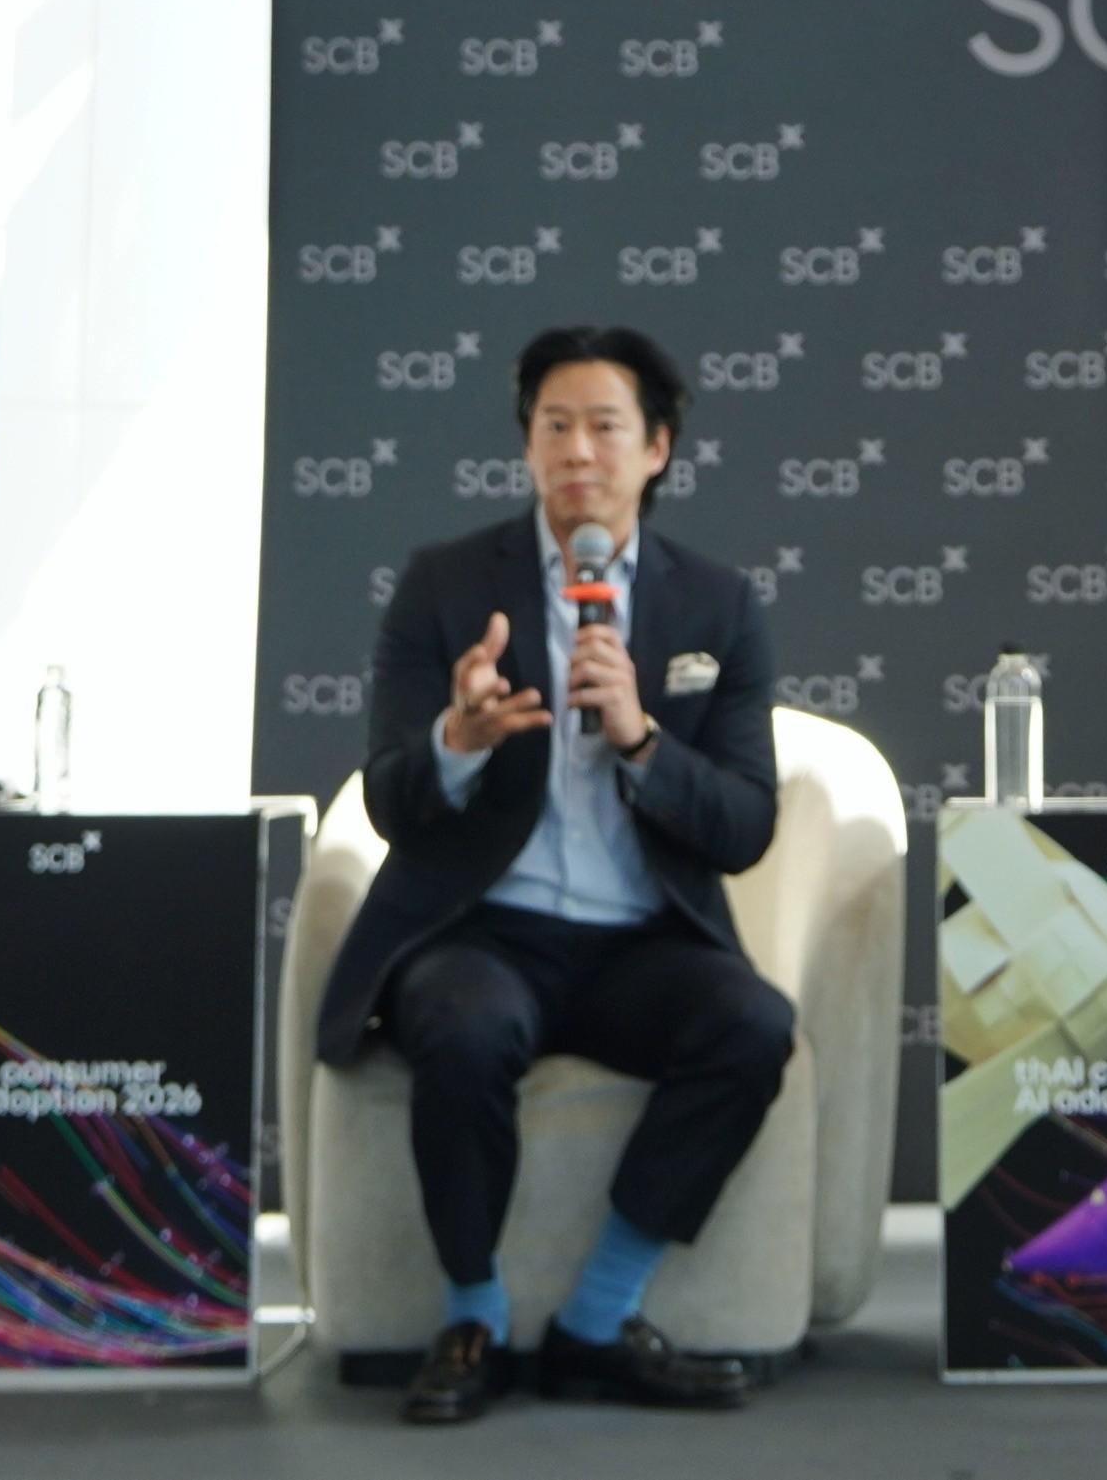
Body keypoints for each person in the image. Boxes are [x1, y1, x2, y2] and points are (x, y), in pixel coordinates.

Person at [309, 326, 793, 1426]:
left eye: (604, 426)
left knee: (753, 1026)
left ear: (656, 448)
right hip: (485, 929)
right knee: (463, 1027)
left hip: (640, 943)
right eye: (554, 425)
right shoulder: (443, 586)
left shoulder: (716, 605)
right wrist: (458, 740)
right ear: (525, 444)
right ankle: (471, 1317)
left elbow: (744, 824)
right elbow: (390, 799)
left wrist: (641, 738)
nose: (578, 449)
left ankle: (597, 1321)